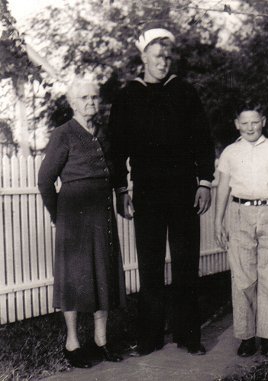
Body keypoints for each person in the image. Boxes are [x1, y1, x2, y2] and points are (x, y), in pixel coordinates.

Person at [109, 27, 215, 356]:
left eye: (167, 56)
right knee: (150, 266)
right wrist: (121, 190)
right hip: (148, 194)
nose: (164, 62)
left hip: (184, 190)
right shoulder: (128, 96)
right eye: (158, 56)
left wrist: (204, 182)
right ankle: (151, 337)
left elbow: (203, 140)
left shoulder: (185, 92)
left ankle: (189, 335)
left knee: (185, 263)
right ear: (143, 58)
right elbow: (116, 147)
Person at [38, 77, 126, 368]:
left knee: (103, 274)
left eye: (95, 97)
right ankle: (72, 343)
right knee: (74, 278)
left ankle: (101, 341)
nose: (92, 103)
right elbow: (45, 180)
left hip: (102, 213)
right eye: (85, 98)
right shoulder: (63, 134)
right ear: (73, 103)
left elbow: (113, 173)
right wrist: (58, 214)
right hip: (73, 216)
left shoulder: (103, 133)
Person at [215, 100, 268, 358]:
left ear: (263, 122)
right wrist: (218, 221)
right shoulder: (229, 152)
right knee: (242, 278)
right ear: (237, 124)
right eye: (245, 123)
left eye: (255, 122)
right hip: (240, 214)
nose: (250, 127)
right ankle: (247, 337)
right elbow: (223, 188)